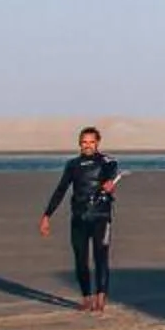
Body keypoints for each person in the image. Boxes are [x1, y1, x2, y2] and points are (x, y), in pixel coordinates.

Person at [40, 126, 123, 311]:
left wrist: (109, 183)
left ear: (97, 143)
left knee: (101, 258)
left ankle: (101, 299)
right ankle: (87, 298)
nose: (88, 145)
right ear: (79, 143)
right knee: (80, 259)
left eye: (91, 142)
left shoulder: (107, 161)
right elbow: (60, 190)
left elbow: (112, 172)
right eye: (84, 142)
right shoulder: (73, 165)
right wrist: (47, 215)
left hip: (101, 217)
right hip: (79, 217)